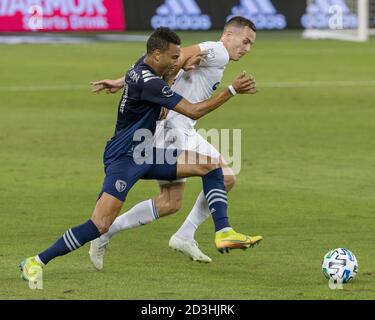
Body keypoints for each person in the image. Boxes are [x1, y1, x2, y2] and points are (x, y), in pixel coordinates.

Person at [19, 26, 261, 283]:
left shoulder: (140, 68)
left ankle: (223, 230)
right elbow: (193, 111)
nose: (179, 61)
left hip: (148, 151)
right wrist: (231, 90)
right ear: (157, 56)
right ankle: (36, 261)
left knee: (211, 167)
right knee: (99, 224)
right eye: (173, 58)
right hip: (124, 159)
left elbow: (162, 84)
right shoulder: (150, 83)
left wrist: (173, 72)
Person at [89, 16, 261, 269]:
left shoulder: (215, 55)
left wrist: (120, 81)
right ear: (229, 34)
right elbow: (174, 59)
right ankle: (210, 232)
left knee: (171, 202)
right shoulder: (218, 51)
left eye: (251, 45)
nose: (247, 48)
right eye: (245, 41)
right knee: (222, 175)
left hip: (174, 128)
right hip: (173, 129)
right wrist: (181, 67)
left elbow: (152, 68)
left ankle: (123, 232)